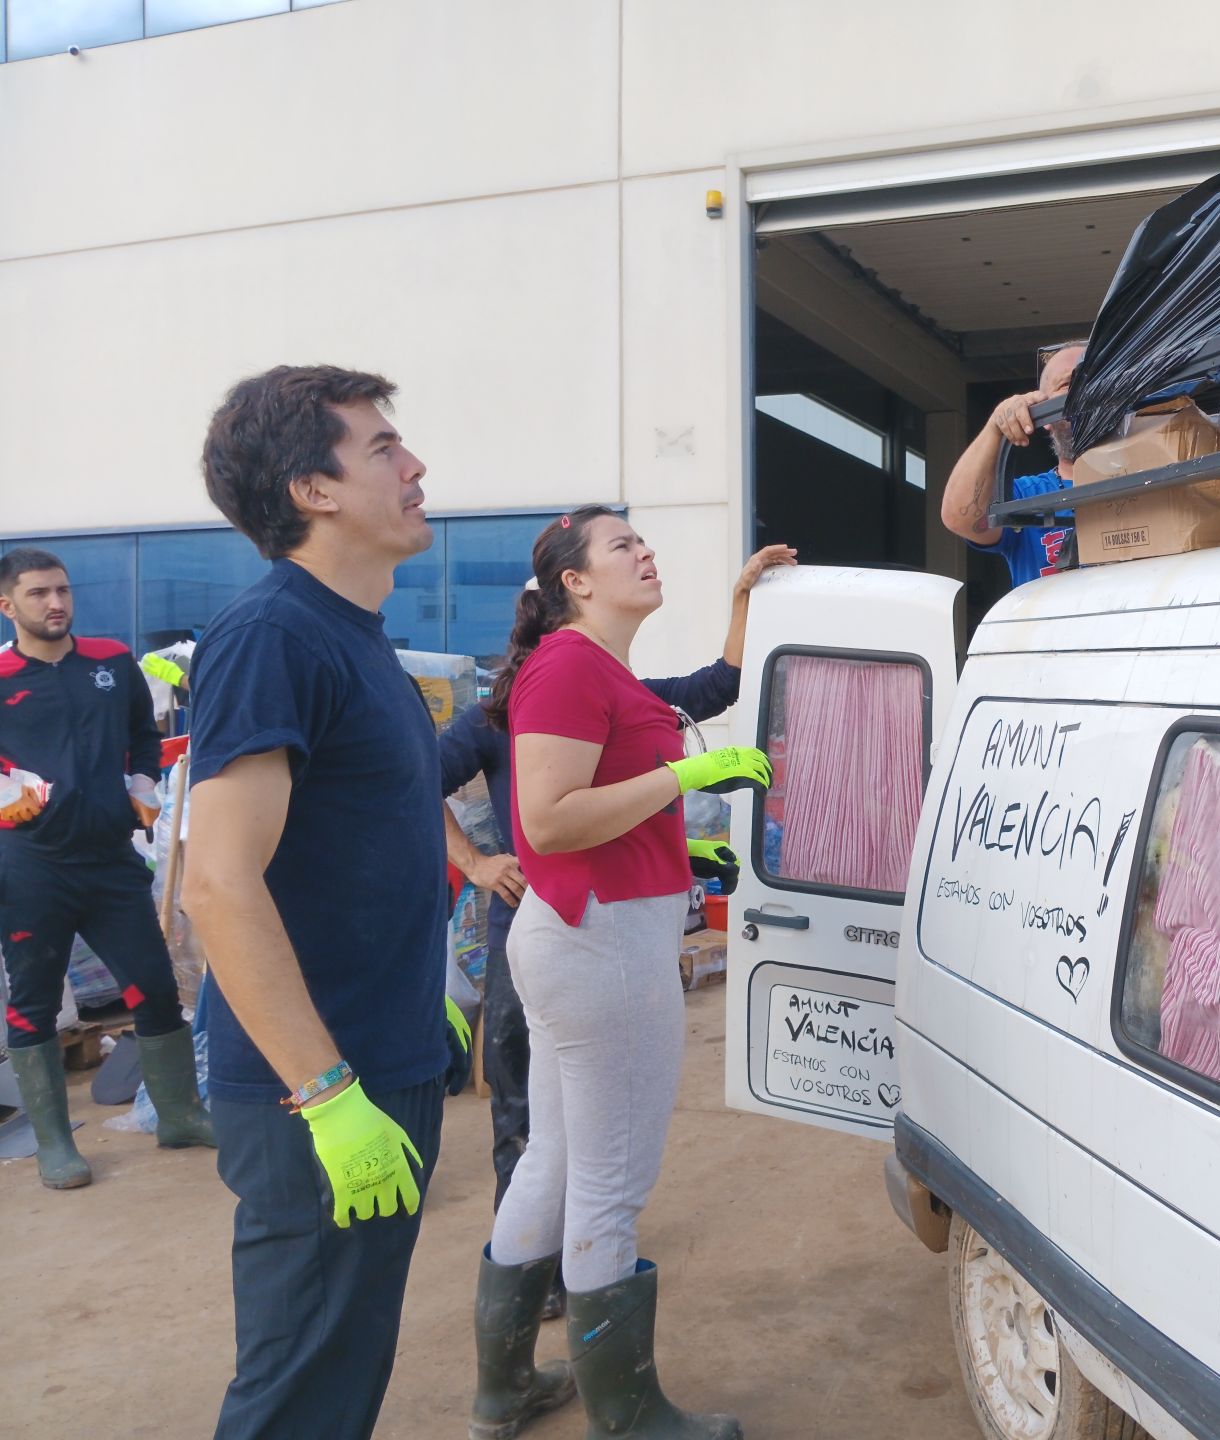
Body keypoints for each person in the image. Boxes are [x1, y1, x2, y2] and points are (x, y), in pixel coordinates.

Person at [183, 365, 468, 1440]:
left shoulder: (357, 640)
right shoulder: (275, 636)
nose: (415, 465)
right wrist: (327, 1092)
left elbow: (354, 858)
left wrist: (417, 993)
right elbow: (217, 879)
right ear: (314, 488)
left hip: (379, 1057)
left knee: (341, 1378)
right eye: (384, 448)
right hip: (318, 1096)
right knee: (298, 1397)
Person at [467, 506, 772, 1440]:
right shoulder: (566, 664)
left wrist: (742, 603)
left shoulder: (598, 667)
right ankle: (629, 1415)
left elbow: (707, 690)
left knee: (557, 1166)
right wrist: (688, 777)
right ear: (575, 581)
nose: (644, 551)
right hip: (599, 948)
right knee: (608, 1184)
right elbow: (550, 820)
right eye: (621, 545)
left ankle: (506, 1392)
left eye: (642, 539)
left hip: (585, 941)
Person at [0, 549, 217, 1190]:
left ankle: (178, 1114)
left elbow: (141, 735)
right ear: (8, 606)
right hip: (31, 866)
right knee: (34, 1003)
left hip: (110, 862)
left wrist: (145, 783)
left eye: (62, 590)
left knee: (153, 988)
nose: (56, 603)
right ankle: (55, 1146)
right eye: (38, 593)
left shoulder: (110, 660)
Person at [939, 341, 1086, 584]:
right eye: (1068, 384)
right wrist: (996, 427)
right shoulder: (1027, 494)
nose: (1081, 393)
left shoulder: (1148, 474)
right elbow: (959, 518)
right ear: (1044, 415)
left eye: (1090, 380)